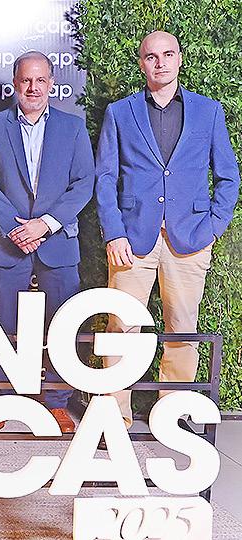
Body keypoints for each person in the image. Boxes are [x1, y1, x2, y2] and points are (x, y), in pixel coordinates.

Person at [95, 31, 240, 428]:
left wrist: (212, 228)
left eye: (168, 54)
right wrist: (114, 232)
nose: (160, 62)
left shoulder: (208, 111)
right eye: (151, 56)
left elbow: (228, 177)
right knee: (121, 326)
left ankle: (171, 415)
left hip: (190, 239)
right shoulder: (120, 112)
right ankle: (115, 414)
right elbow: (105, 178)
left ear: (179, 59)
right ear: (141, 63)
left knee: (182, 328)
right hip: (130, 240)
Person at [0, 51, 95, 433]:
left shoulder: (73, 128)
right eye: (26, 80)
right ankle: (2, 399)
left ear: (51, 84)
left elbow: (83, 184)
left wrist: (44, 224)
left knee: (61, 325)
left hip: (57, 242)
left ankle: (56, 401)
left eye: (41, 80)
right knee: (2, 324)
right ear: (15, 83)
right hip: (7, 242)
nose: (33, 87)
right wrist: (16, 228)